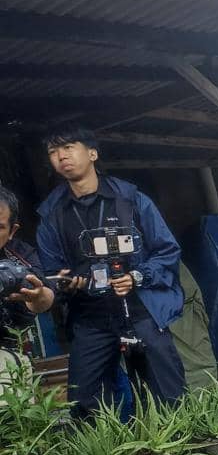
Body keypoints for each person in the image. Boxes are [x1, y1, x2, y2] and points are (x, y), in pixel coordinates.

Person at [36, 128, 187, 416]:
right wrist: (66, 283)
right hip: (90, 317)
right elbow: (52, 272)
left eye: (69, 147)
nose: (61, 156)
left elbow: (167, 250)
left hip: (141, 309)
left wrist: (137, 277)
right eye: (54, 152)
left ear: (92, 153)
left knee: (168, 393)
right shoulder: (51, 214)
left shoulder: (132, 200)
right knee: (84, 399)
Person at [0, 184, 55, 372]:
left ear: (12, 231)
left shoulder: (19, 255)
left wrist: (37, 296)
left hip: (7, 356)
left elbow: (44, 294)